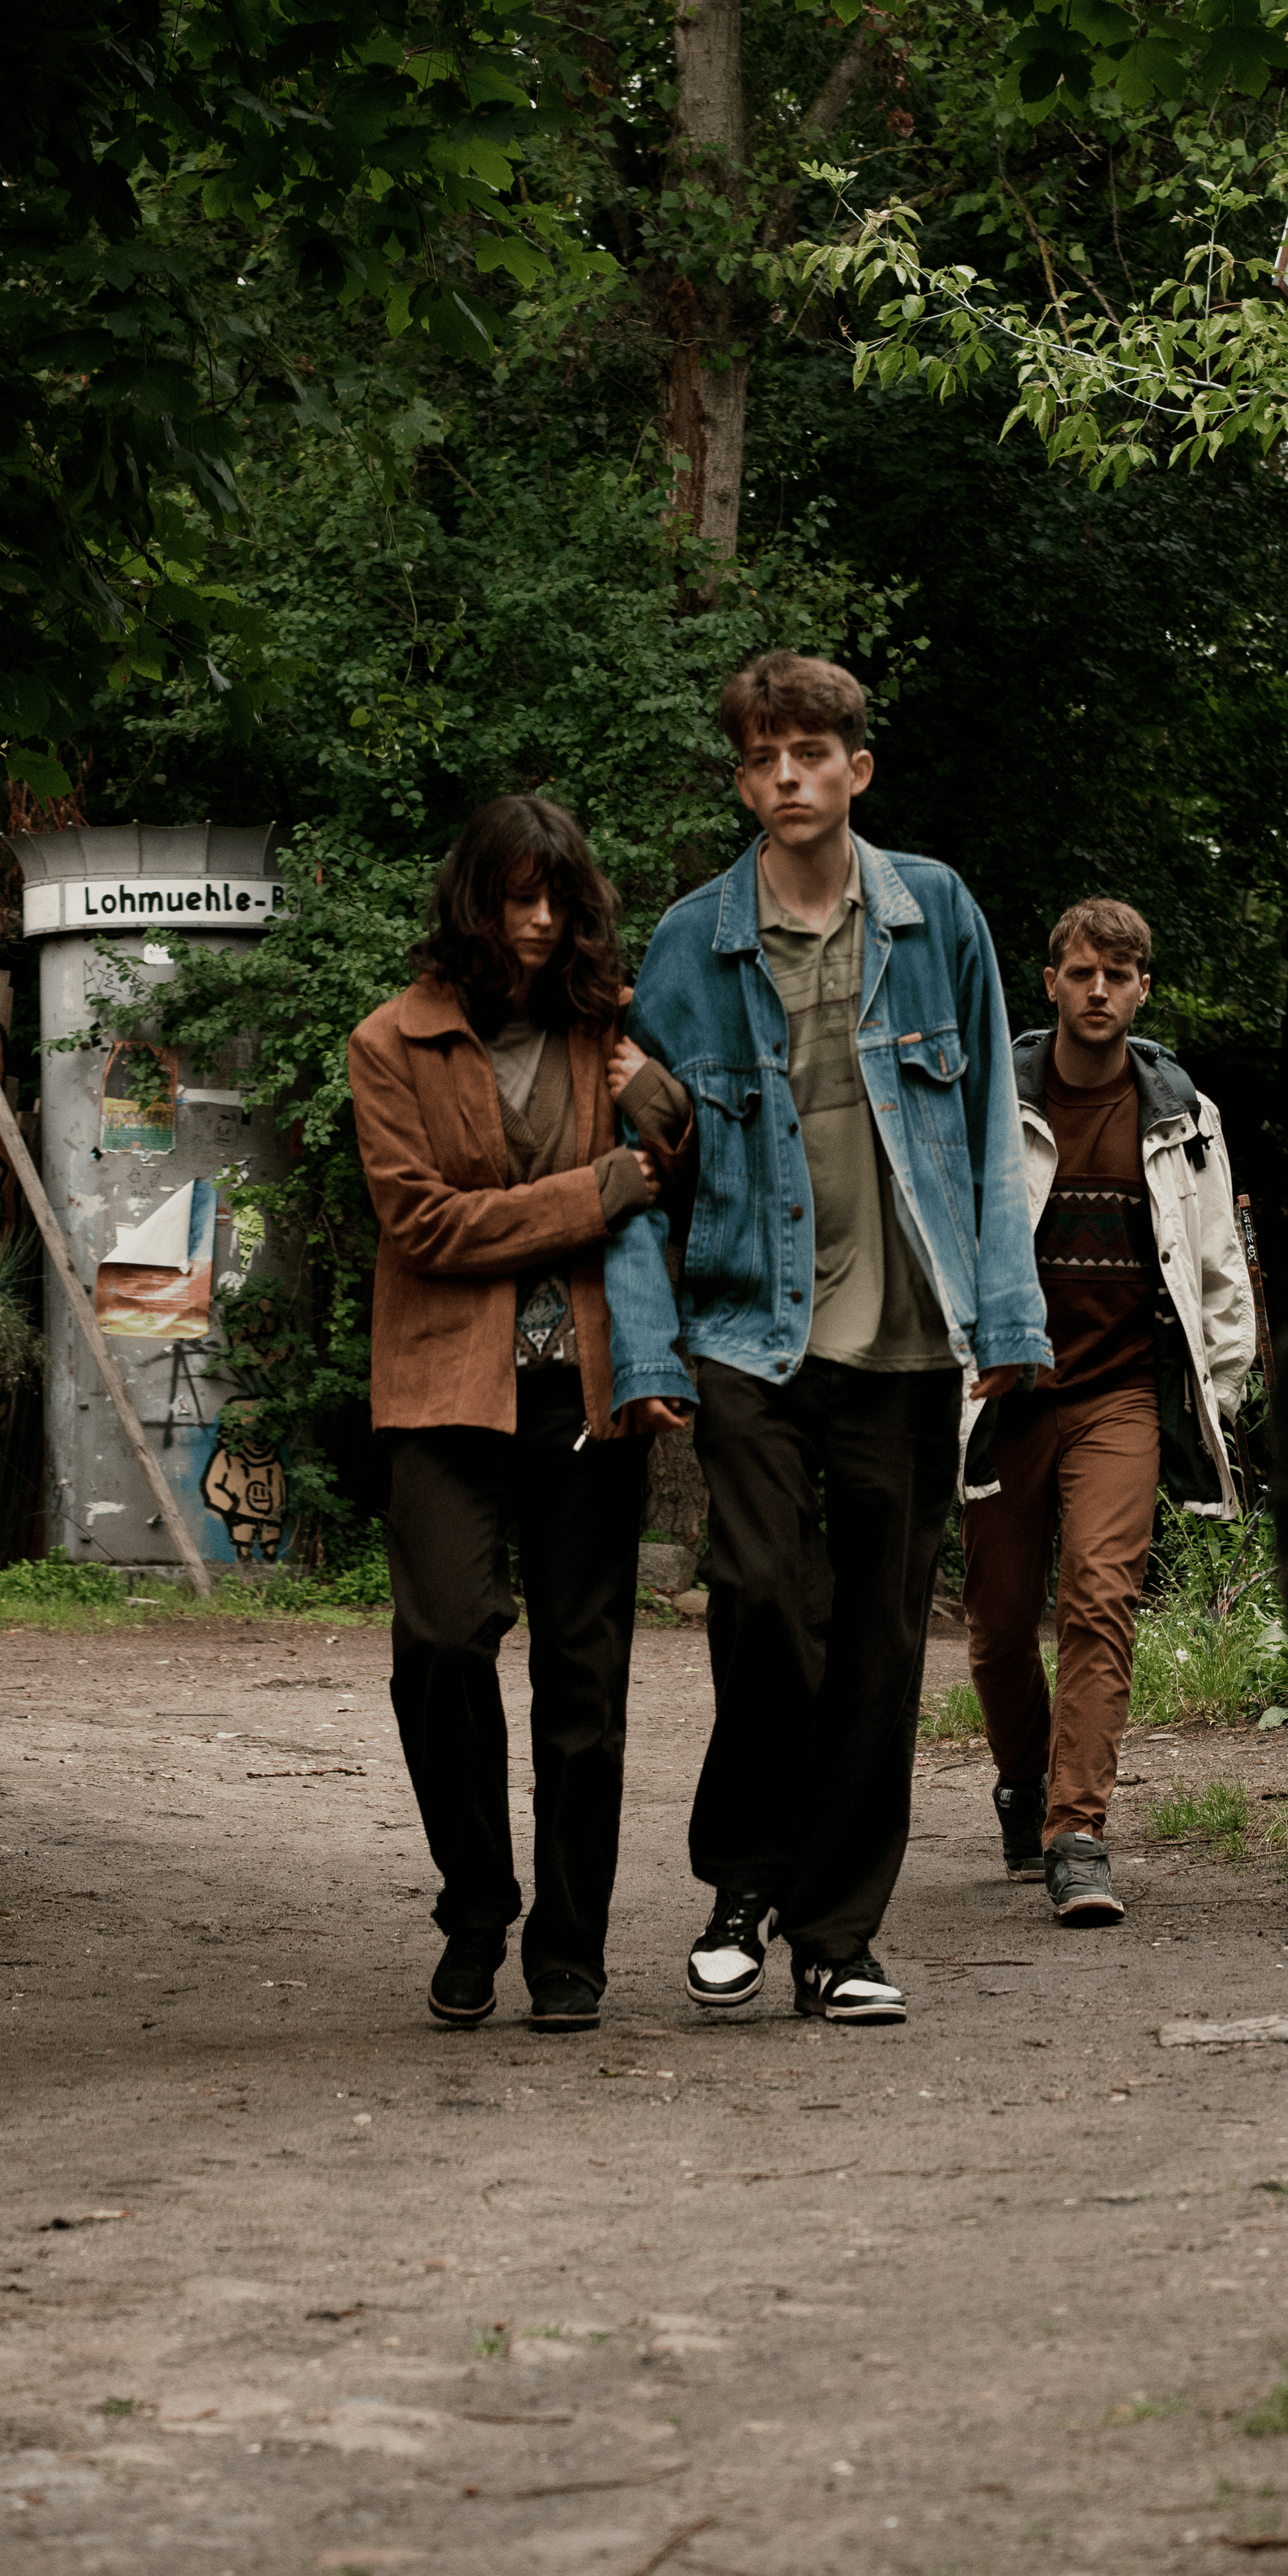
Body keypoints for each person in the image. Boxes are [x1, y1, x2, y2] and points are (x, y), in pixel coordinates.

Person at [603, 651, 1050, 2026]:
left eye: (810, 753)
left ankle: (838, 1938)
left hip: (908, 1337)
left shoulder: (938, 916)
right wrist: (647, 1349)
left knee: (874, 1644)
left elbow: (983, 1127)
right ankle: (744, 1881)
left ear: (859, 769)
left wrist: (1008, 1318)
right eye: (760, 758)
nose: (785, 776)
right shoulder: (692, 939)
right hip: (750, 1327)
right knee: (757, 1602)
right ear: (741, 779)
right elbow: (639, 1160)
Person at [348, 796, 692, 2035]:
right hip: (444, 1387)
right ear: (474, 899)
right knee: (440, 1642)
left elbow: (681, 1179)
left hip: (589, 1390)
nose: (540, 922)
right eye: (516, 897)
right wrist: (593, 1189)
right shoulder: (390, 1041)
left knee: (583, 1674)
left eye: (559, 898)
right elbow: (423, 1225)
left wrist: (661, 1104)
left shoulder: (607, 1029)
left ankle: (569, 1946)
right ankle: (477, 1902)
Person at [960, 897, 1253, 1923]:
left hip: (1124, 1394)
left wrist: (1213, 1392)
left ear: (1140, 989)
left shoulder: (1183, 1115)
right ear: (1050, 982)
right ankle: (1022, 1777)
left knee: (1098, 1598)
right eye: (1080, 972)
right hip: (1007, 1396)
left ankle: (1076, 1830)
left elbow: (1218, 1269)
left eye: (1116, 976)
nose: (1097, 991)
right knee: (997, 1628)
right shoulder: (989, 1101)